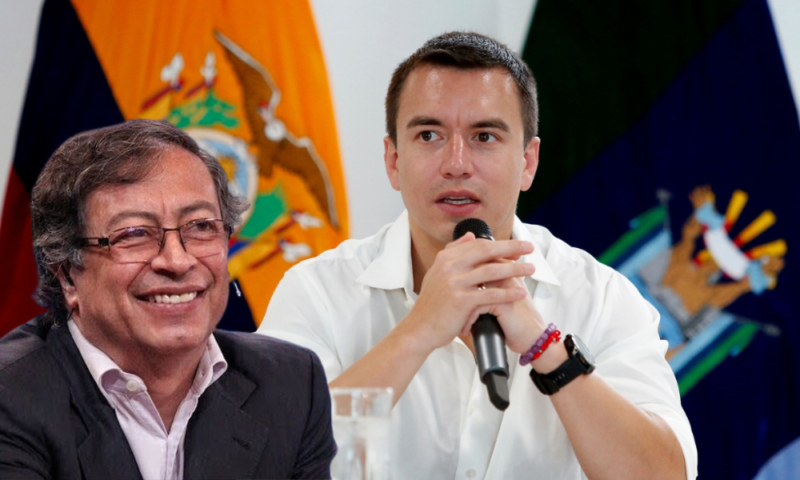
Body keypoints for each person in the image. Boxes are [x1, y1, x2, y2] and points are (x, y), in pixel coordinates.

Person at [259, 32, 697, 479]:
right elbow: (267, 464)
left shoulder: (602, 298)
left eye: (484, 136)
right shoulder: (317, 293)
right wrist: (417, 331)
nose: (456, 164)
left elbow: (664, 475)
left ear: (528, 162)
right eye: (429, 135)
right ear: (393, 160)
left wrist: (545, 346)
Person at [0, 120, 336, 480]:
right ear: (67, 274)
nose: (177, 261)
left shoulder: (290, 384)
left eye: (201, 226)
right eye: (134, 234)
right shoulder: (10, 397)